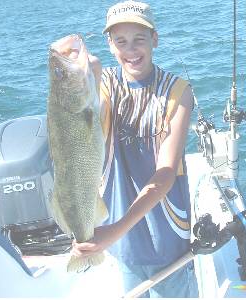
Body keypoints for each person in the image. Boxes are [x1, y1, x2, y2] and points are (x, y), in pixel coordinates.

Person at [72, 1, 198, 297]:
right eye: (121, 41)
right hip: (121, 242)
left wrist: (115, 230)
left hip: (166, 237)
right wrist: (83, 78)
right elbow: (80, 125)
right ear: (110, 45)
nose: (131, 50)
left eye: (139, 39)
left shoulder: (178, 92)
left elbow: (165, 174)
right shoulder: (103, 85)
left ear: (154, 38)